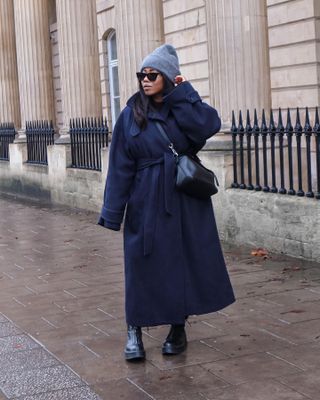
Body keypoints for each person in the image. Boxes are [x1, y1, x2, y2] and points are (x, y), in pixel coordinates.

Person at [98, 44, 235, 361]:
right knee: (140, 265)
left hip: (184, 200)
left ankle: (177, 328)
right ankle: (134, 330)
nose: (145, 80)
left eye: (152, 74)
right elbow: (120, 166)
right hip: (145, 200)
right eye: (141, 74)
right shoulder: (130, 115)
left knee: (180, 266)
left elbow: (208, 126)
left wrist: (183, 91)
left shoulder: (183, 110)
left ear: (169, 78)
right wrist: (112, 212)